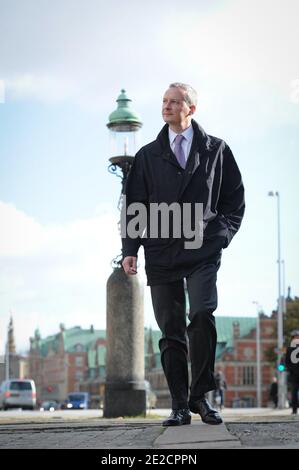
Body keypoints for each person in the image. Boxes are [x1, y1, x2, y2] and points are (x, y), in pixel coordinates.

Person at [122, 83, 245, 426]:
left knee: (203, 313)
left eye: (175, 101)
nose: (167, 106)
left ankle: (200, 397)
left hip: (202, 249)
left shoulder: (217, 150)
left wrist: (222, 234)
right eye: (164, 101)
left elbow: (234, 198)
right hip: (161, 253)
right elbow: (135, 205)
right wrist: (130, 250)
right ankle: (178, 404)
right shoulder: (147, 155)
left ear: (191, 108)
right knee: (171, 330)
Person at [285, 329, 299, 415]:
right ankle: (294, 410)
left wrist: (291, 370)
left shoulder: (289, 348)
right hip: (295, 373)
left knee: (294, 392)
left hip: (294, 374)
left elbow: (287, 362)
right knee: (294, 392)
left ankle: (294, 410)